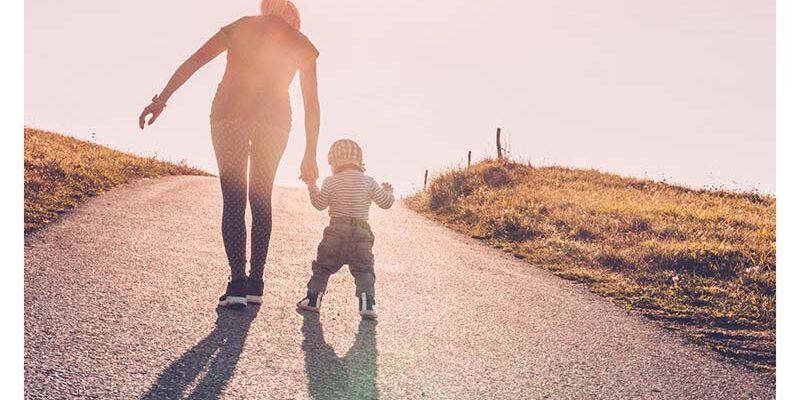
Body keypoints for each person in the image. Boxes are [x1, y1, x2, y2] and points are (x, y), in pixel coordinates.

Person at [138, 0, 321, 309]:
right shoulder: (301, 43)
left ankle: (237, 284)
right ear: (290, 14)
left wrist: (162, 99)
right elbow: (311, 103)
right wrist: (310, 152)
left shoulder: (243, 25)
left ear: (266, 8)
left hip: (229, 115)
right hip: (274, 122)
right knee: (261, 199)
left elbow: (195, 61)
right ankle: (255, 284)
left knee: (234, 197)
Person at [297, 139, 394, 319]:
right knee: (364, 269)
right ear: (359, 161)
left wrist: (311, 185)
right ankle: (367, 303)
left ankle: (312, 300)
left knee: (323, 267)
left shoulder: (331, 181)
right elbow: (386, 203)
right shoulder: (369, 182)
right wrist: (388, 192)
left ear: (333, 162)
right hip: (362, 234)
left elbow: (319, 204)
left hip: (336, 231)